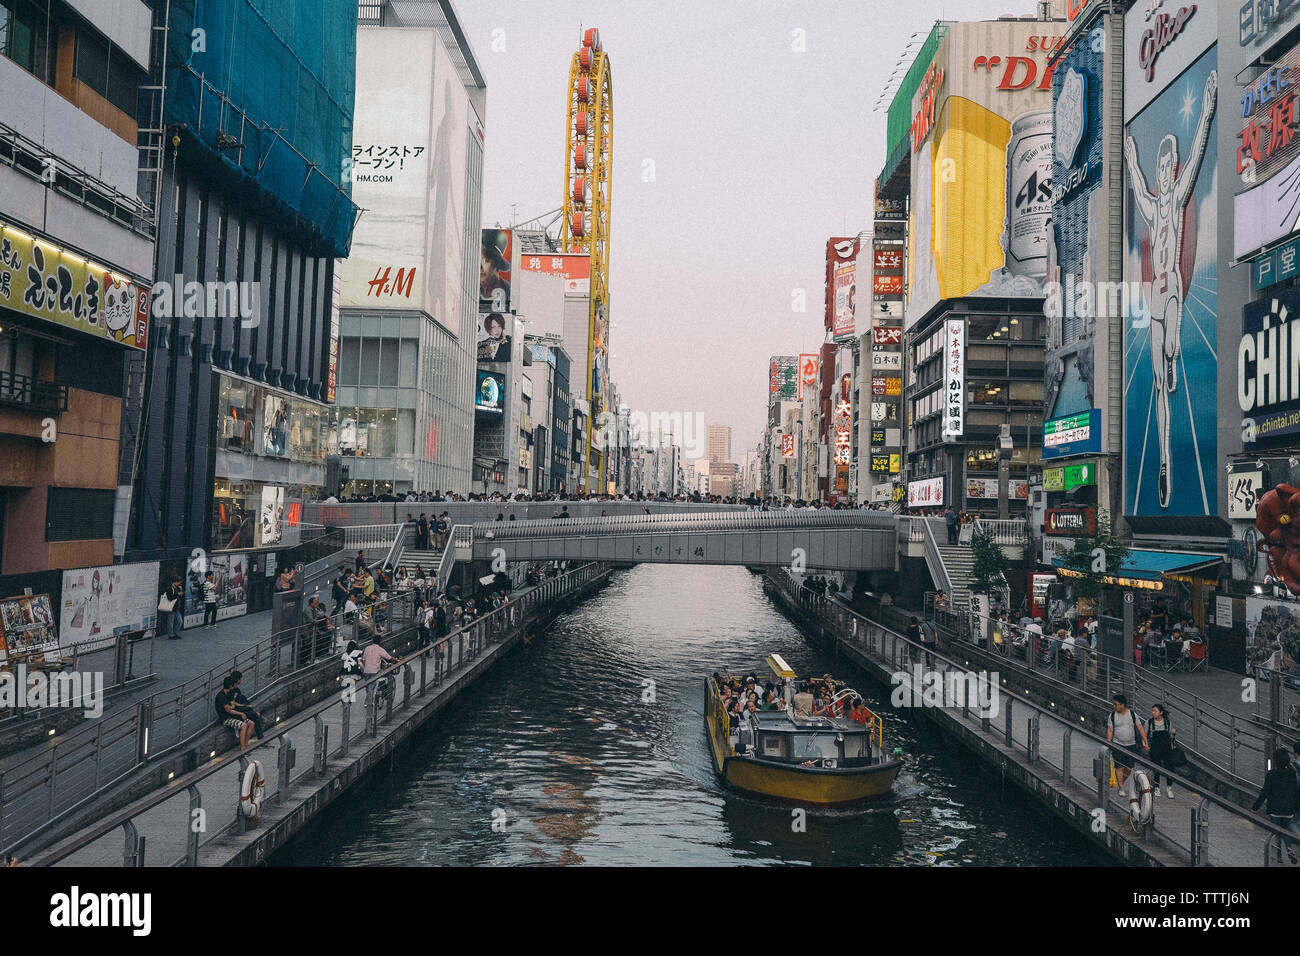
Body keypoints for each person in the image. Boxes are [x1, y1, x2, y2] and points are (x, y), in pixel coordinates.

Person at [1252, 749, 1300, 865]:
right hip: (1288, 810)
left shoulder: (1271, 774)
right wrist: (1294, 807)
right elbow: (1295, 792)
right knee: (1285, 830)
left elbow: (1264, 793)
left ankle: (1278, 857)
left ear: (1276, 761)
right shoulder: (1292, 774)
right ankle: (1289, 849)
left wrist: (1254, 808)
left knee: (1277, 833)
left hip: (1275, 809)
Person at [1107, 694, 1149, 794]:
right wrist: (1108, 743)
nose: (1114, 706)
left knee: (1129, 769)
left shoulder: (1132, 715)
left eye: (1116, 704)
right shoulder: (1112, 715)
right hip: (1118, 744)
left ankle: (1121, 782)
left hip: (1131, 745)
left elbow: (1140, 728)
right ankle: (1121, 787)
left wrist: (1145, 740)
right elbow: (1110, 730)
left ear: (1122, 705)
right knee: (1119, 767)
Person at [1145, 703, 1177, 798]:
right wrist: (1146, 745)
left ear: (1161, 712)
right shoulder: (1149, 722)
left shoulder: (1167, 723)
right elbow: (1145, 735)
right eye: (1152, 711)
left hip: (1166, 748)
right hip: (1155, 748)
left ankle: (1169, 788)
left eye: (1155, 711)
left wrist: (1173, 734)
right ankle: (1157, 788)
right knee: (1156, 768)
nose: (1153, 712)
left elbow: (1171, 737)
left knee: (1169, 768)